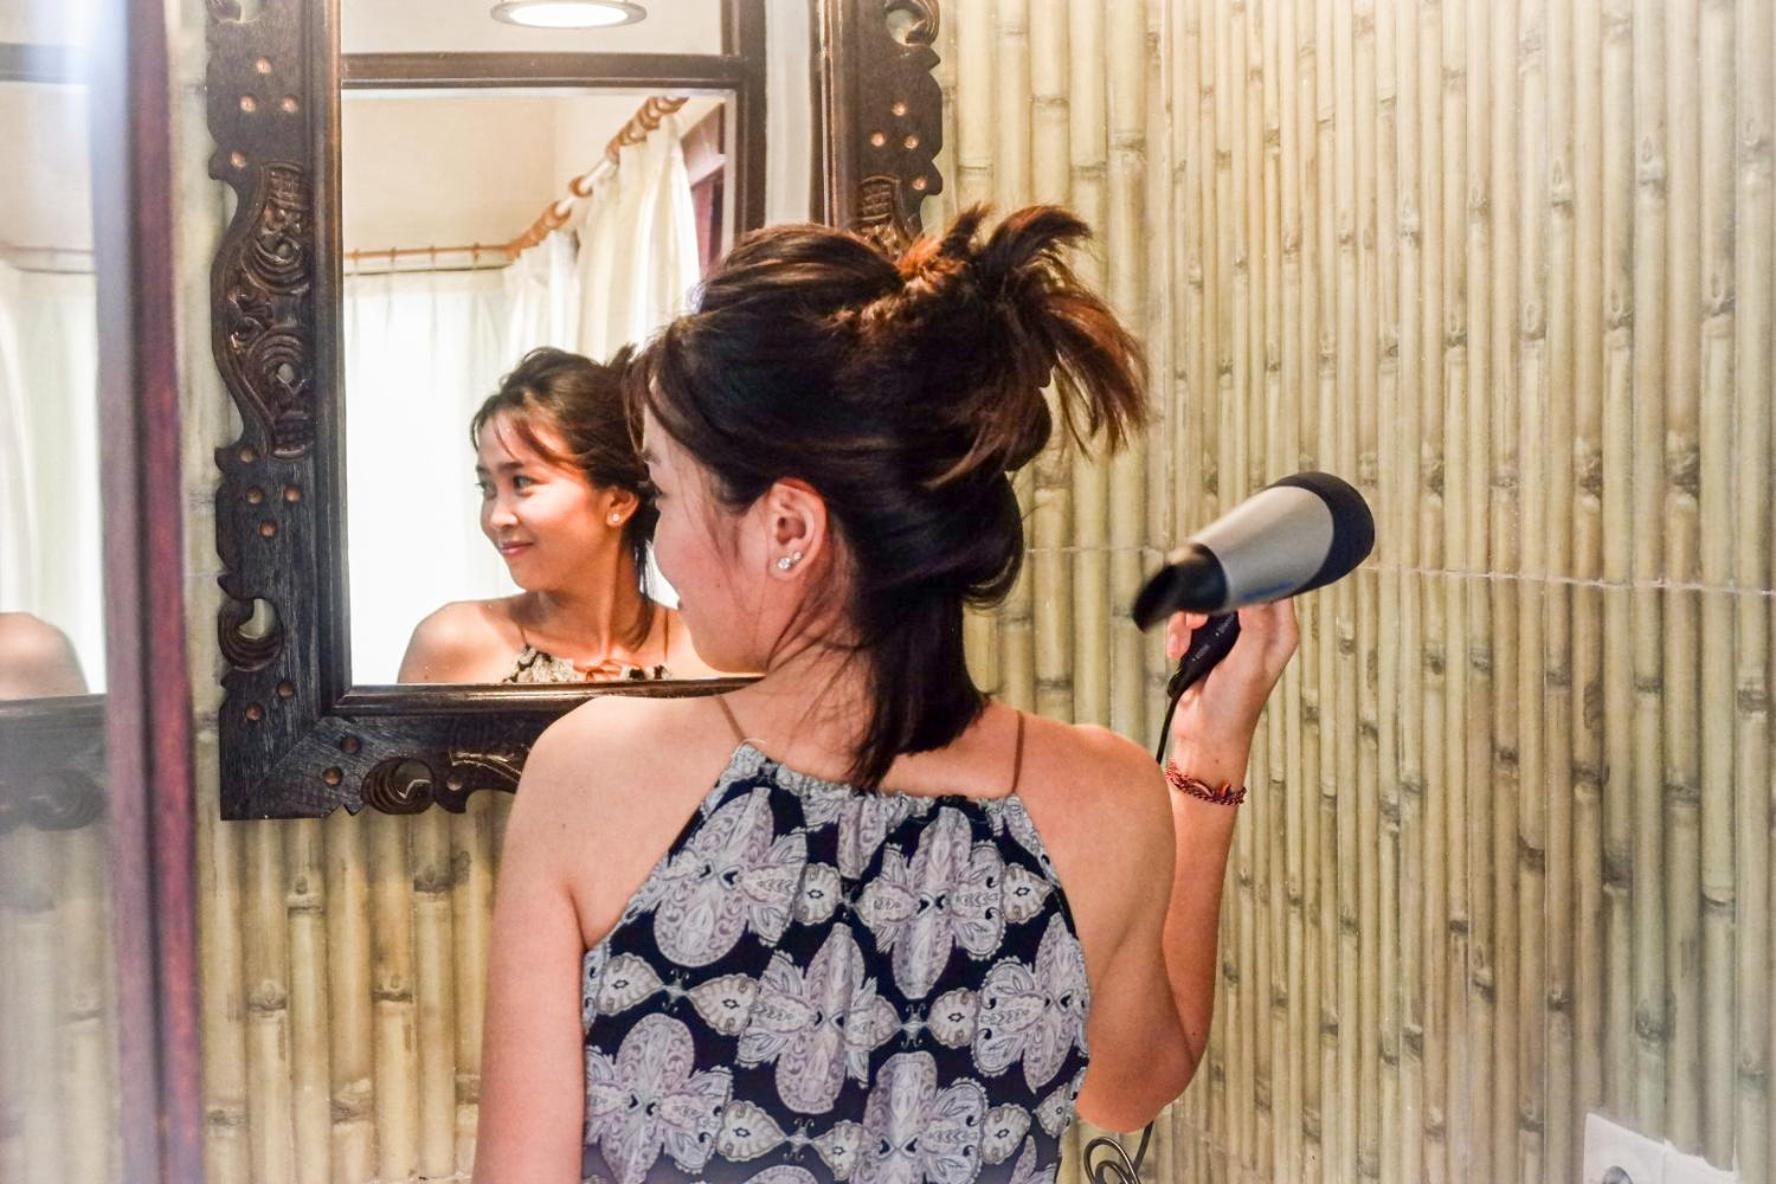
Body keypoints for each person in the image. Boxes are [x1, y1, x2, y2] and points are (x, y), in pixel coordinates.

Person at [473, 207, 1298, 1183]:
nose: (663, 549)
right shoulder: (1102, 794)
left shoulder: (594, 775)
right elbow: (1133, 1088)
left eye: (664, 496)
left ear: (788, 526)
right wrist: (1208, 755)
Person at [398, 347, 721, 685]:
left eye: (522, 482)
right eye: (487, 488)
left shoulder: (710, 658)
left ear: (618, 502)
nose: (496, 517)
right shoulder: (453, 646)